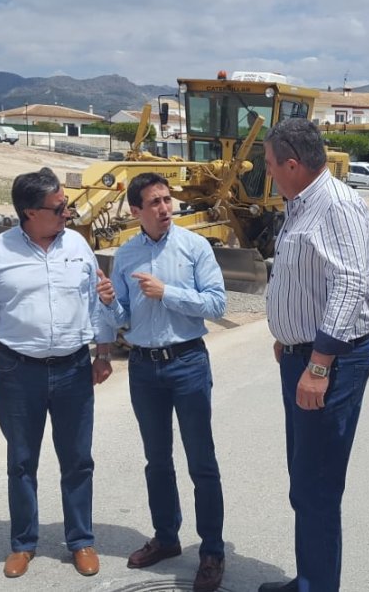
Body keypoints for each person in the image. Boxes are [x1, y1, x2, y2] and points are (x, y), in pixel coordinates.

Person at [0, 167, 116, 579]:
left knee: (78, 459)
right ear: (30, 213)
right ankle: (23, 543)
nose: (67, 212)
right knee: (21, 460)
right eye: (59, 207)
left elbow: (96, 300)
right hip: (18, 371)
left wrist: (102, 351)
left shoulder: (79, 246)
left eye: (65, 204)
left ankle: (81, 540)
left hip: (72, 369)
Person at [259, 118, 369, 592]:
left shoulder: (337, 205)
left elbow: (350, 285)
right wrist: (287, 335)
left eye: (268, 165)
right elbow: (311, 279)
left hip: (329, 362)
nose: (266, 172)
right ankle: (311, 579)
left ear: (292, 164)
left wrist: (318, 363)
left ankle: (317, 586)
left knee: (317, 486)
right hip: (303, 356)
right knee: (305, 483)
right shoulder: (300, 203)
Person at [101, 173, 228, 592]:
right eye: (154, 202)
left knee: (201, 462)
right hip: (144, 366)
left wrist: (167, 292)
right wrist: (108, 303)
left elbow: (216, 303)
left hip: (187, 361)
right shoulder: (126, 254)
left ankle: (211, 551)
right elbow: (123, 318)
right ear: (136, 211)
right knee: (157, 461)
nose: (165, 208)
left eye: (167, 199)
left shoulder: (194, 247)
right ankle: (167, 539)